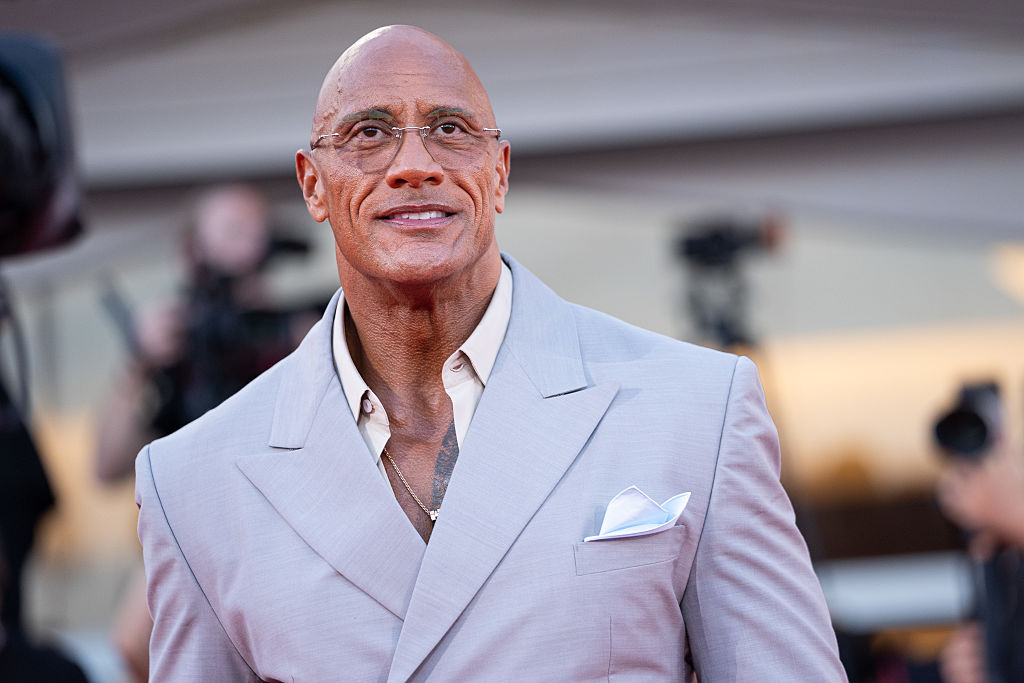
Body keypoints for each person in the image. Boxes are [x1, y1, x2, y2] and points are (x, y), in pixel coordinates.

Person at [135, 25, 845, 681]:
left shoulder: (698, 409)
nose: (414, 164)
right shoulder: (191, 481)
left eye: (450, 129)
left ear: (499, 172)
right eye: (369, 133)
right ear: (313, 185)